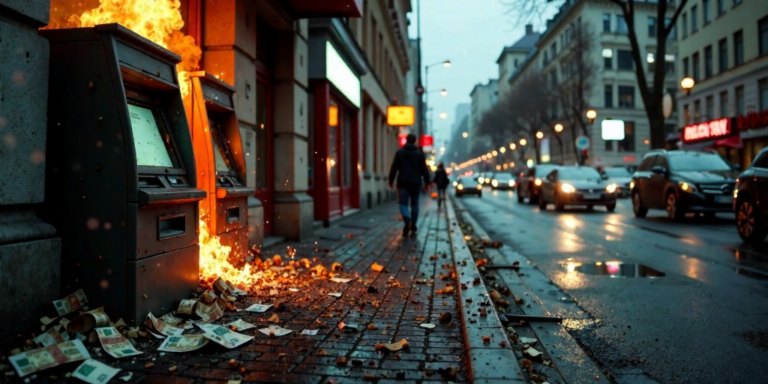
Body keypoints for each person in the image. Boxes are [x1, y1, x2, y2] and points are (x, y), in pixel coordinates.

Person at [388, 133, 431, 237]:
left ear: (406, 140)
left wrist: (391, 180)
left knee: (403, 204)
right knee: (415, 204)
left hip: (402, 183)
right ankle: (413, 225)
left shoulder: (400, 153)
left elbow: (394, 167)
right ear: (415, 141)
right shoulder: (419, 154)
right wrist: (427, 182)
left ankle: (407, 219)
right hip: (416, 183)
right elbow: (424, 169)